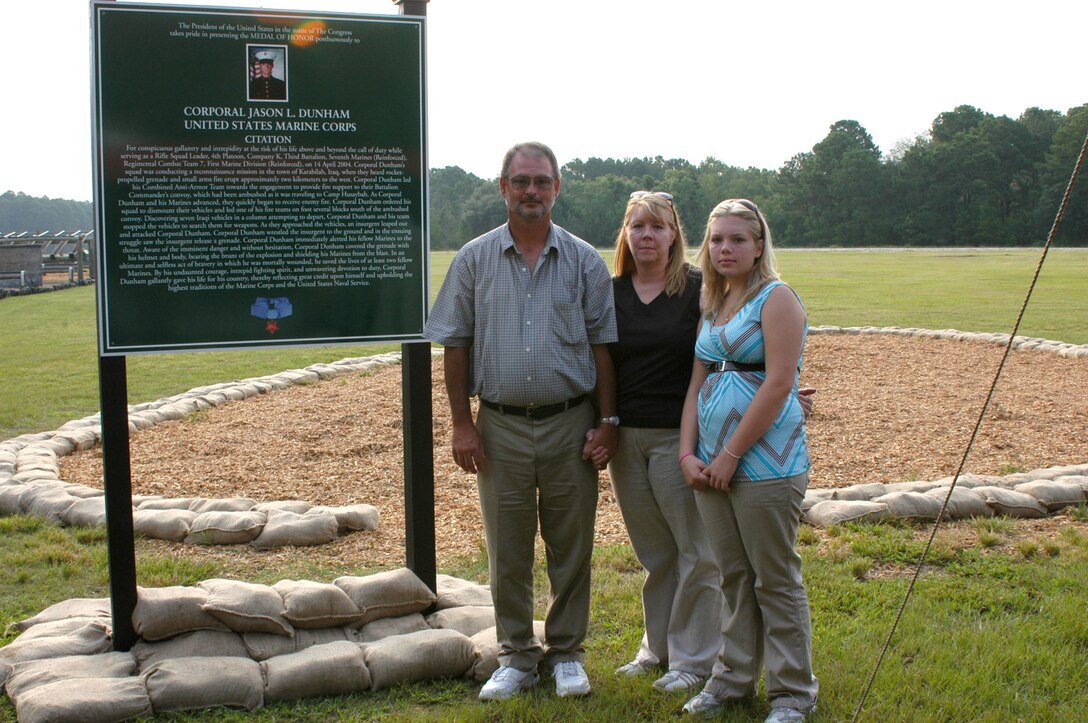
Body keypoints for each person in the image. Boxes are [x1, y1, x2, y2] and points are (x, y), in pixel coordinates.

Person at [424, 141, 618, 701]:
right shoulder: (474, 259)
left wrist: (608, 422)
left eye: (541, 181)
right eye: (520, 181)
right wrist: (463, 424)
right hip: (500, 426)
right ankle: (516, 655)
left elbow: (604, 348)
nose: (531, 190)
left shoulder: (583, 260)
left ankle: (566, 653)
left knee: (570, 544)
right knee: (508, 547)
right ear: (502, 187)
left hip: (570, 422)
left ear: (557, 188)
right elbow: (455, 347)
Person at [678, 199, 819, 721]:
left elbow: (781, 382)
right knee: (733, 577)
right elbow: (697, 383)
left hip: (767, 465)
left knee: (775, 580)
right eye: (717, 240)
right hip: (712, 463)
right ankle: (732, 681)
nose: (726, 248)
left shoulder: (776, 299)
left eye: (738, 239)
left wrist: (732, 455)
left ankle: (792, 695)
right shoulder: (715, 305)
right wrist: (687, 452)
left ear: (759, 245)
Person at [595, 191, 723, 693]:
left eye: (658, 227)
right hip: (627, 439)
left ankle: (693, 660)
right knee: (655, 552)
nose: (647, 236)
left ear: (675, 235)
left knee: (696, 551)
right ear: (625, 234)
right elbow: (598, 362)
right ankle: (659, 648)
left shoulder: (699, 290)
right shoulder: (610, 291)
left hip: (681, 436)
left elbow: (726, 349)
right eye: (638, 226)